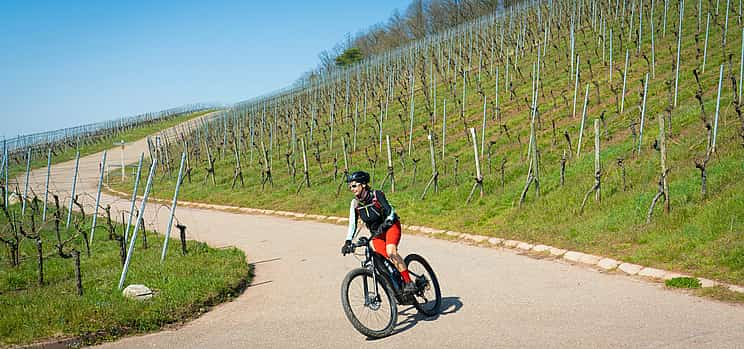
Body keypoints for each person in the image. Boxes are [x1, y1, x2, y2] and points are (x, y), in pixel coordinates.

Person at [341, 170, 416, 295]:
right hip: (376, 234)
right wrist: (348, 241)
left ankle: (409, 282)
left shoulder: (376, 195)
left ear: (363, 184)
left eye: (354, 185)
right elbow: (352, 224)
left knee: (391, 252)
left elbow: (390, 210)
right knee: (381, 263)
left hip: (391, 227)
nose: (352, 189)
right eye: (350, 187)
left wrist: (388, 221)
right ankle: (397, 288)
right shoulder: (355, 204)